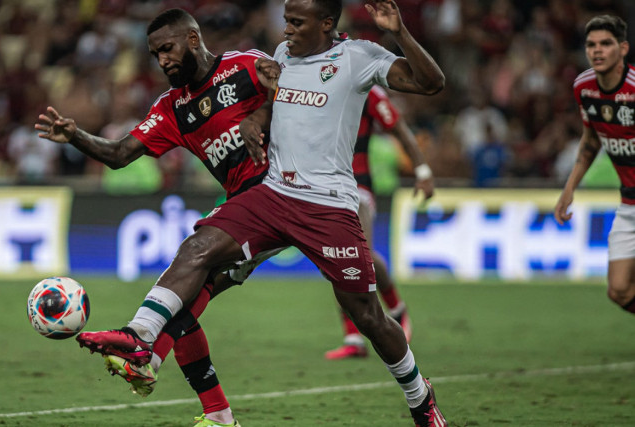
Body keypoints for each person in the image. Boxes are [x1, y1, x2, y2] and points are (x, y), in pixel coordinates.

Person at [76, 1, 448, 426]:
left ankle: (421, 397)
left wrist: (398, 32)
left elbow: (431, 83)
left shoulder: (358, 57)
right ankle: (139, 336)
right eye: (286, 20)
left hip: (328, 203)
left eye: (296, 22)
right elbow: (278, 102)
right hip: (271, 192)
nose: (286, 30)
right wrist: (257, 116)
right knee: (197, 249)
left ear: (326, 23)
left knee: (367, 315)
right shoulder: (282, 57)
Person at [36, 9, 280, 426]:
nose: (162, 60)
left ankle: (143, 346)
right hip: (244, 205)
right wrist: (75, 135)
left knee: (191, 260)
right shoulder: (172, 108)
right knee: (180, 302)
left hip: (281, 191)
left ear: (191, 39)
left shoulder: (244, 68)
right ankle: (216, 414)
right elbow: (118, 155)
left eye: (167, 49)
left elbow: (292, 90)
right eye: (155, 54)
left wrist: (261, 115)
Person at [325, 85, 434, 360]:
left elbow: (398, 128)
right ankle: (353, 338)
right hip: (323, 185)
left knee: (359, 256)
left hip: (358, 184)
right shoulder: (316, 82)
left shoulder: (366, 90)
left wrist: (422, 170)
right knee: (336, 259)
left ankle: (396, 311)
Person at [554, 14, 635, 316]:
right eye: (591, 45)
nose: (597, 50)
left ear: (623, 49)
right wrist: (569, 188)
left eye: (606, 43)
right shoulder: (584, 87)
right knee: (619, 290)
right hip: (629, 201)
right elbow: (591, 140)